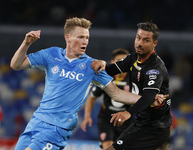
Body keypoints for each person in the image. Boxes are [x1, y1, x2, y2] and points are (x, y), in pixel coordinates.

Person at [10, 17, 164, 150]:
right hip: (37, 121)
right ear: (68, 37)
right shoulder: (51, 54)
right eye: (80, 37)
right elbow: (16, 65)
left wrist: (148, 99)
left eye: (87, 38)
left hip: (58, 128)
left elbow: (116, 94)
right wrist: (26, 43)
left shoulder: (92, 67)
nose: (85, 42)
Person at [92, 22, 172, 150]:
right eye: (138, 38)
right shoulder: (133, 57)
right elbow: (112, 69)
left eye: (146, 40)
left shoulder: (155, 68)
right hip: (141, 123)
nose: (139, 43)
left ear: (154, 43)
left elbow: (149, 96)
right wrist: (102, 64)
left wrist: (128, 113)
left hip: (154, 128)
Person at [81, 48, 131, 149]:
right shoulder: (105, 76)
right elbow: (92, 97)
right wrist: (87, 116)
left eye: (124, 61)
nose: (121, 63)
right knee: (108, 147)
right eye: (118, 61)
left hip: (125, 121)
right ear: (112, 62)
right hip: (107, 119)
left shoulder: (134, 79)